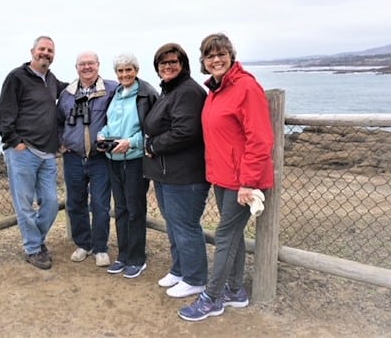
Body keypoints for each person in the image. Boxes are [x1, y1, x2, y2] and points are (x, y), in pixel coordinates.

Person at [178, 32, 274, 321]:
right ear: (204, 62)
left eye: (221, 54)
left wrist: (248, 182)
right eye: (210, 56)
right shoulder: (215, 91)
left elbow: (259, 138)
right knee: (232, 236)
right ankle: (234, 290)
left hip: (242, 181)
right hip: (222, 177)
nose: (216, 60)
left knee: (224, 235)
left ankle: (213, 298)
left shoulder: (246, 88)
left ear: (231, 55)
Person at [142, 43, 210, 297]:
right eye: (162, 63)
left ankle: (195, 278)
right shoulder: (170, 90)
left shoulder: (188, 92)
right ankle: (180, 269)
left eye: (173, 62)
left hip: (185, 175)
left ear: (183, 64)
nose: (167, 66)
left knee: (185, 226)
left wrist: (153, 145)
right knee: (174, 225)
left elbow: (186, 131)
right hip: (166, 173)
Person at [0, 35, 67, 270]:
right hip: (23, 152)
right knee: (24, 204)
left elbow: (68, 91)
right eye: (42, 49)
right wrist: (15, 141)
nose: (45, 53)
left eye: (50, 51)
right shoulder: (17, 77)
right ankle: (34, 249)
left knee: (50, 203)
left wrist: (94, 83)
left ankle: (35, 240)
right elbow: (5, 113)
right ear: (32, 51)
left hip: (47, 153)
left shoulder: (51, 80)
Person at [97, 53, 158, 278]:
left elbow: (153, 129)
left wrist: (131, 142)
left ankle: (137, 258)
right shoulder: (115, 94)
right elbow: (108, 123)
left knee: (135, 210)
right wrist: (103, 135)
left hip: (134, 161)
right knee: (120, 209)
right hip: (113, 159)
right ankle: (123, 256)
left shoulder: (146, 94)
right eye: (120, 71)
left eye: (128, 70)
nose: (124, 74)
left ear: (136, 70)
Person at [57, 52, 117, 267]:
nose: (87, 67)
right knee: (75, 203)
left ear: (98, 65)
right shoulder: (67, 94)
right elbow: (57, 121)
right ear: (76, 67)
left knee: (100, 204)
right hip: (73, 157)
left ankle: (100, 247)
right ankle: (83, 244)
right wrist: (60, 143)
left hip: (99, 158)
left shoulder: (111, 89)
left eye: (90, 63)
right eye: (82, 64)